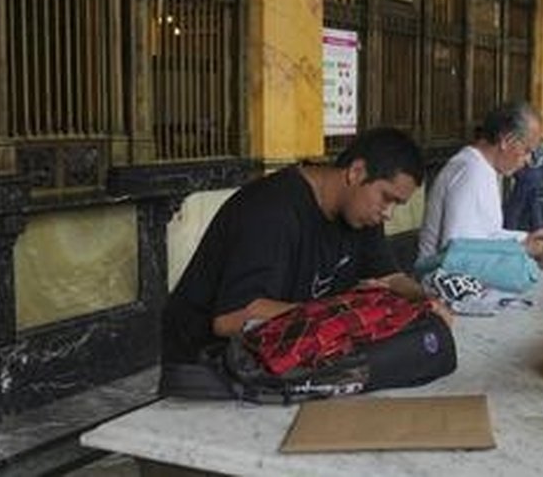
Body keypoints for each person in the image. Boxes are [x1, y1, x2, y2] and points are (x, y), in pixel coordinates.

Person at [161, 127, 434, 365]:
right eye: (387, 198)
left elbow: (390, 277)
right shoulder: (272, 212)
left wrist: (427, 302)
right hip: (208, 366)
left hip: (281, 355)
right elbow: (231, 318)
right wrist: (338, 313)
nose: (388, 213)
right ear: (356, 172)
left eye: (397, 204)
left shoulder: (362, 214)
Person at [419, 101, 543, 260]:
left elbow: (486, 236)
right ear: (507, 141)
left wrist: (524, 239)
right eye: (526, 150)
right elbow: (458, 252)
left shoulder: (482, 168)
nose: (527, 160)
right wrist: (521, 249)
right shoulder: (472, 172)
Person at [503, 146, 543, 232]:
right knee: (533, 202)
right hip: (535, 171)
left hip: (528, 171)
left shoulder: (526, 144)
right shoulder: (535, 145)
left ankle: (509, 228)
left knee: (516, 204)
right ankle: (538, 228)